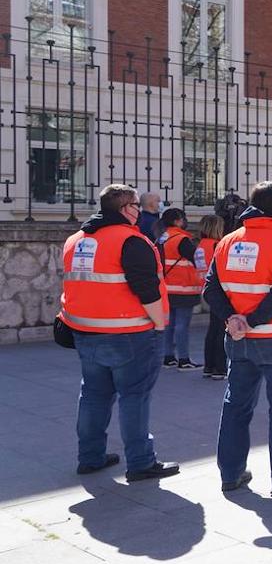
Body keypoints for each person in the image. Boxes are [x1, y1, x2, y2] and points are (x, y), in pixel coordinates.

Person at [206, 181, 272, 496]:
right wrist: (250, 320)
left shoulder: (227, 241)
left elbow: (211, 288)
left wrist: (233, 319)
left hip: (238, 338)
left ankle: (231, 473)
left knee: (236, 405)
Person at [61, 183, 178, 482]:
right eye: (137, 205)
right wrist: (160, 325)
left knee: (93, 395)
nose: (140, 210)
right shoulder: (131, 240)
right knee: (134, 396)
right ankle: (140, 463)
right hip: (129, 332)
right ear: (126, 209)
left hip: (85, 330)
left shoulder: (75, 240)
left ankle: (90, 456)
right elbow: (146, 288)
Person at [157, 207, 201, 370]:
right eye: (183, 219)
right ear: (177, 221)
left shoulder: (162, 238)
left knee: (169, 324)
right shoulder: (182, 239)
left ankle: (168, 357)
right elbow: (196, 260)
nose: (185, 222)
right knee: (182, 325)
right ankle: (184, 359)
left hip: (166, 287)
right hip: (183, 288)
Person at [195, 215, 228, 380]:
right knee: (221, 330)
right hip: (219, 290)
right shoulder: (217, 245)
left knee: (213, 330)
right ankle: (220, 367)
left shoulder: (201, 245)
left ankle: (209, 366)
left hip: (206, 288)